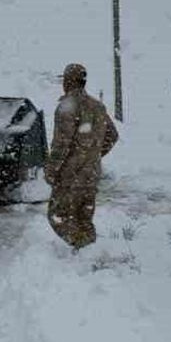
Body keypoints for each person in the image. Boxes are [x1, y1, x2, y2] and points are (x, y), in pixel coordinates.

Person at [45, 63, 119, 250]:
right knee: (83, 217)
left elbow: (61, 144)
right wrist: (92, 154)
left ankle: (82, 246)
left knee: (58, 215)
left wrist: (52, 170)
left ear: (68, 81)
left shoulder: (67, 107)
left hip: (71, 174)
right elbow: (112, 135)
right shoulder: (97, 106)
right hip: (91, 172)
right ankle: (88, 256)